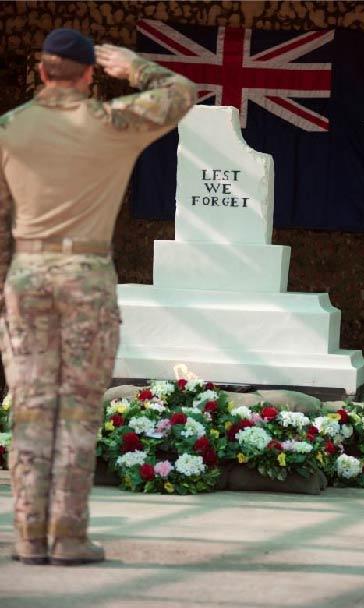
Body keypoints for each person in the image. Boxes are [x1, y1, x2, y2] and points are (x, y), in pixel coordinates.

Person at [0, 28, 196, 566]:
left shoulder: (9, 130)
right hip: (86, 276)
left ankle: (27, 537)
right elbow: (181, 91)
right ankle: (67, 537)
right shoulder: (111, 124)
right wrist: (134, 67)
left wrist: (5, 289)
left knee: (31, 410)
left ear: (42, 71)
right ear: (90, 74)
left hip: (27, 274)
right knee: (79, 411)